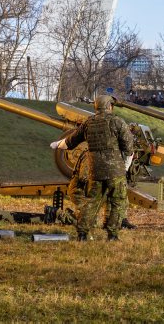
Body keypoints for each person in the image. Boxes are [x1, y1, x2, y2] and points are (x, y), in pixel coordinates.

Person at [51, 94, 134, 241]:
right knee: (118, 202)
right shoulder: (118, 122)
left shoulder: (88, 123)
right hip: (115, 172)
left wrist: (58, 144)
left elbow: (71, 141)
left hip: (95, 171)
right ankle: (112, 235)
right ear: (109, 106)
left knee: (91, 202)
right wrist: (125, 167)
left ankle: (82, 234)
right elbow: (129, 148)